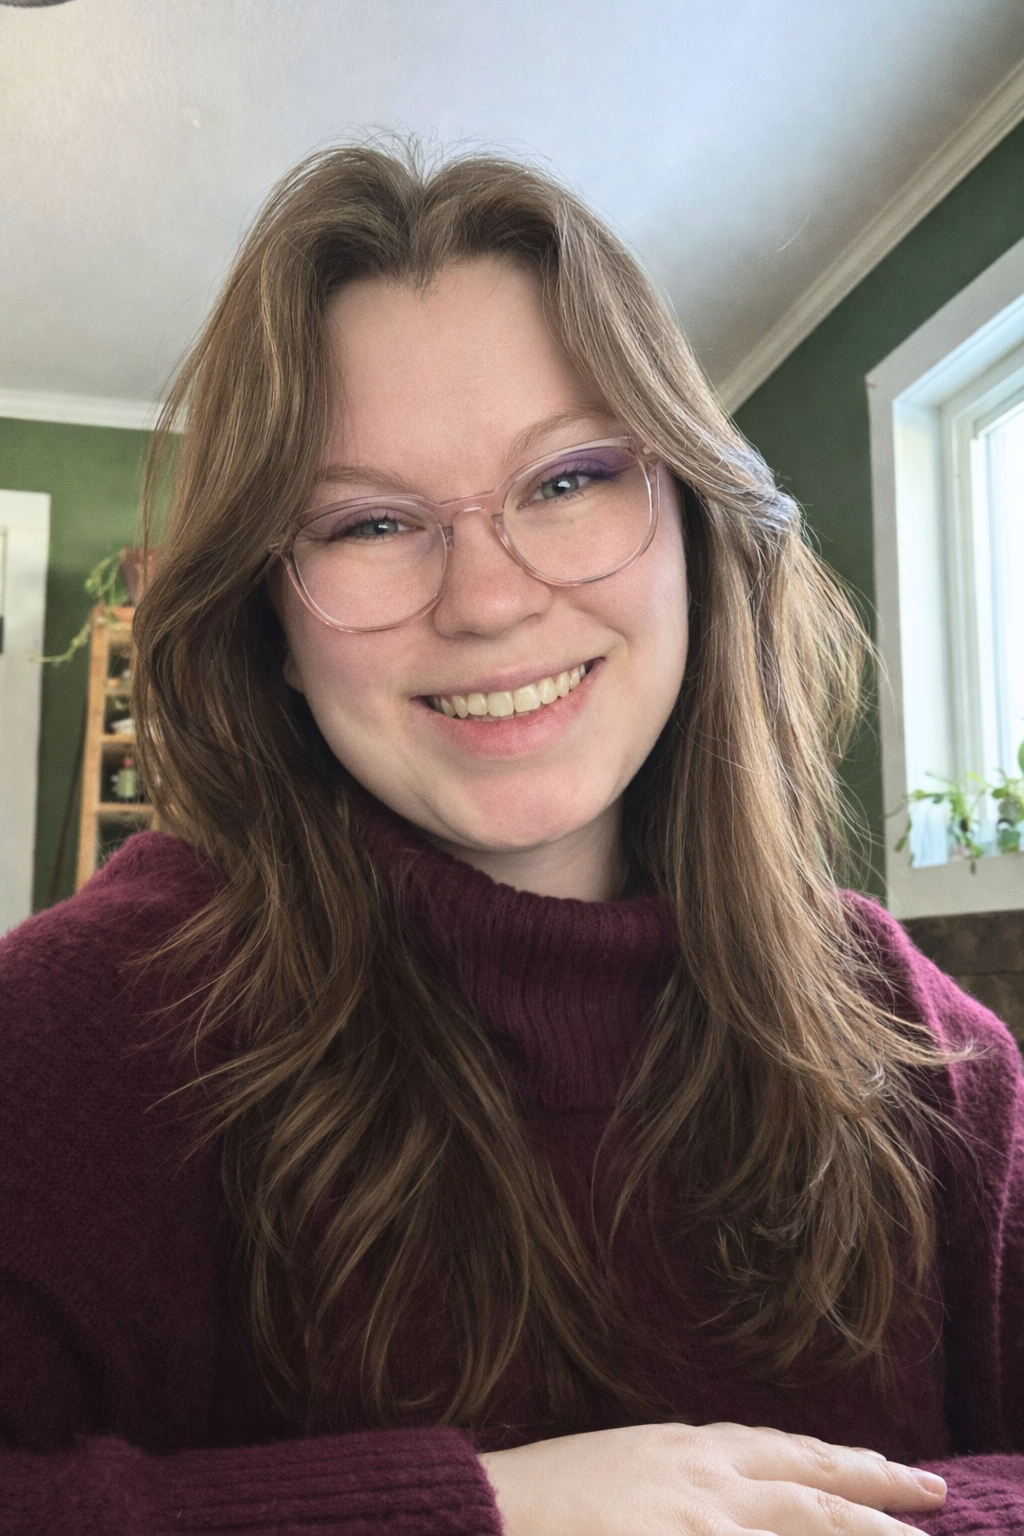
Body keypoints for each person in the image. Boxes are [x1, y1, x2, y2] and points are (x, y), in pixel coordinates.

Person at [2, 142, 1023, 1536]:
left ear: (693, 530)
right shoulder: (71, 1034)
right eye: (370, 521)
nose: (487, 600)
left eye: (567, 482)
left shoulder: (922, 1048)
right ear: (273, 629)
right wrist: (475, 1511)